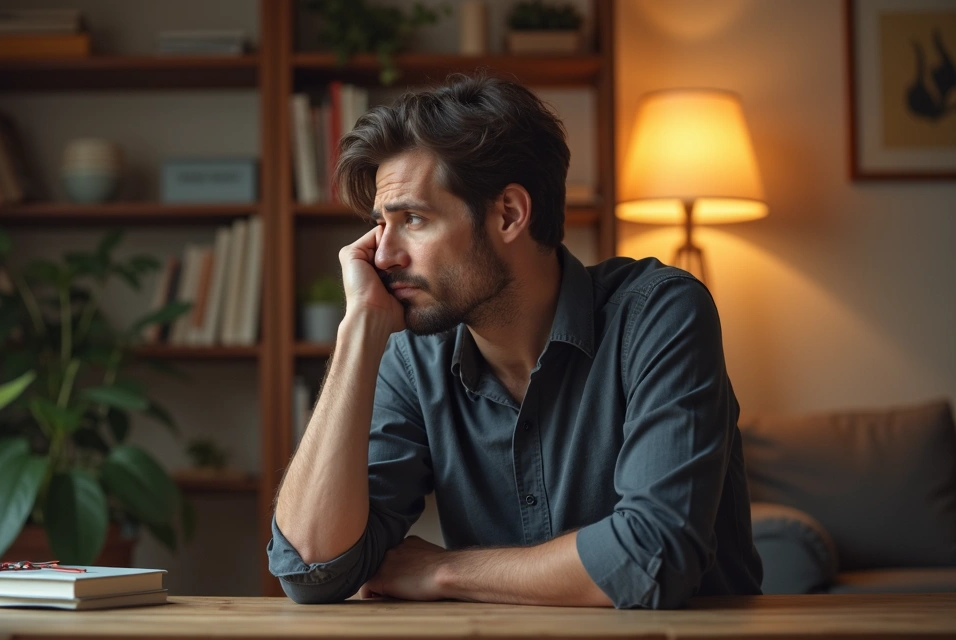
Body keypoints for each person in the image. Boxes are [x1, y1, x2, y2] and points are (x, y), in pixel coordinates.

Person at [268, 74, 763, 610]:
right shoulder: (414, 357)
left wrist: (443, 571)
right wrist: (358, 332)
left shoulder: (658, 314)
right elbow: (312, 569)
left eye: (413, 219)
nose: (383, 257)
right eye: (380, 225)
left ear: (509, 214)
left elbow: (653, 556)